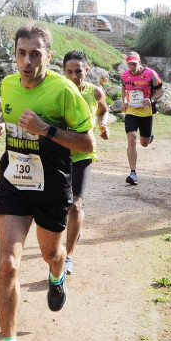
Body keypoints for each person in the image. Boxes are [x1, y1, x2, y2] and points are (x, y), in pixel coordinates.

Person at [0, 23, 94, 341]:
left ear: (48, 56)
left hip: (52, 187)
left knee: (52, 253)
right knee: (7, 263)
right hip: (14, 182)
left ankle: (57, 276)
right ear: (15, 55)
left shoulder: (64, 91)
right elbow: (11, 117)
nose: (27, 61)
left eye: (35, 54)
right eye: (21, 53)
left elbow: (87, 142)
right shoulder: (7, 85)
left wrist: (46, 129)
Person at [62, 50, 109, 275]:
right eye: (69, 72)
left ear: (86, 71)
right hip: (59, 154)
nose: (74, 76)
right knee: (61, 206)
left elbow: (104, 111)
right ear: (63, 72)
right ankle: (76, 223)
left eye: (78, 71)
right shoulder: (58, 92)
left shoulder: (95, 92)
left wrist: (103, 125)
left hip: (83, 155)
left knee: (75, 205)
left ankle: (68, 256)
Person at [121, 52, 164, 185]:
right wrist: (123, 101)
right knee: (132, 138)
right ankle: (133, 173)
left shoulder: (151, 74)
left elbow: (161, 91)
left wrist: (151, 100)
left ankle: (149, 137)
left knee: (144, 143)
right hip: (131, 111)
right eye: (129, 64)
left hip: (146, 112)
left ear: (139, 62)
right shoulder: (124, 75)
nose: (132, 67)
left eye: (134, 64)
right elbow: (123, 88)